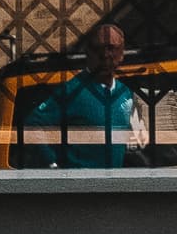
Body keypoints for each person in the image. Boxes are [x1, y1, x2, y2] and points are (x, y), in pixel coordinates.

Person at [16, 23, 143, 169]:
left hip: (114, 185)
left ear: (121, 54)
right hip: (80, 186)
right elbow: (33, 124)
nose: (105, 55)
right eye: (98, 49)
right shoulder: (72, 91)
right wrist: (52, 165)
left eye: (111, 48)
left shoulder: (124, 93)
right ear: (88, 52)